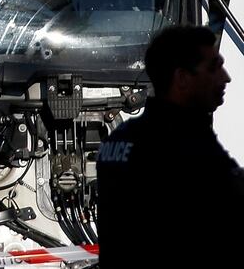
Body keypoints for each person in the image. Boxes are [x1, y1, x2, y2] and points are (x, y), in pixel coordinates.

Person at [97, 26, 244, 268]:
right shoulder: (184, 147)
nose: (225, 77)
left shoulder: (119, 138)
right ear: (182, 79)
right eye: (213, 68)